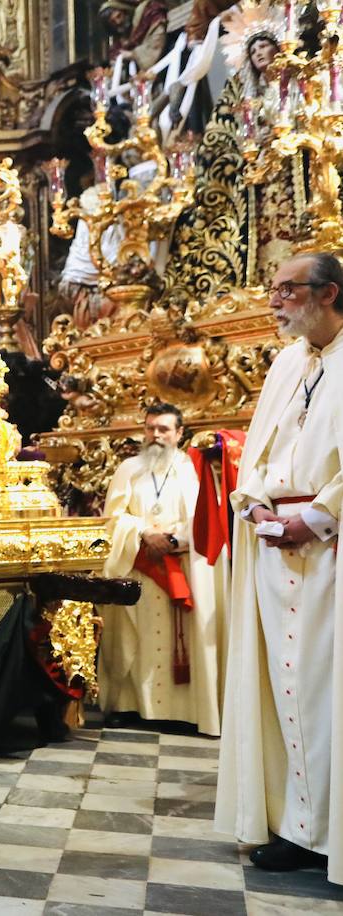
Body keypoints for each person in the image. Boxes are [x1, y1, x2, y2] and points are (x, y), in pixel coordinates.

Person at [217, 252, 343, 880]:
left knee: (329, 693)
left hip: (332, 550)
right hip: (276, 548)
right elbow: (262, 447)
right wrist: (255, 498)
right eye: (274, 289)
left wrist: (318, 515)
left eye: (287, 290)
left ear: (329, 293)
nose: (275, 301)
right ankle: (302, 825)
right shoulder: (287, 364)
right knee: (285, 689)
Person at [98, 403, 221, 735]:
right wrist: (143, 532)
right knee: (129, 636)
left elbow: (207, 516)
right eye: (150, 427)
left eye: (164, 429)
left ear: (180, 433)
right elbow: (112, 518)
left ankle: (185, 710)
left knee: (182, 637)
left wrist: (177, 539)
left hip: (182, 564)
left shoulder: (194, 468)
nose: (155, 435)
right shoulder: (128, 468)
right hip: (139, 564)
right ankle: (127, 706)